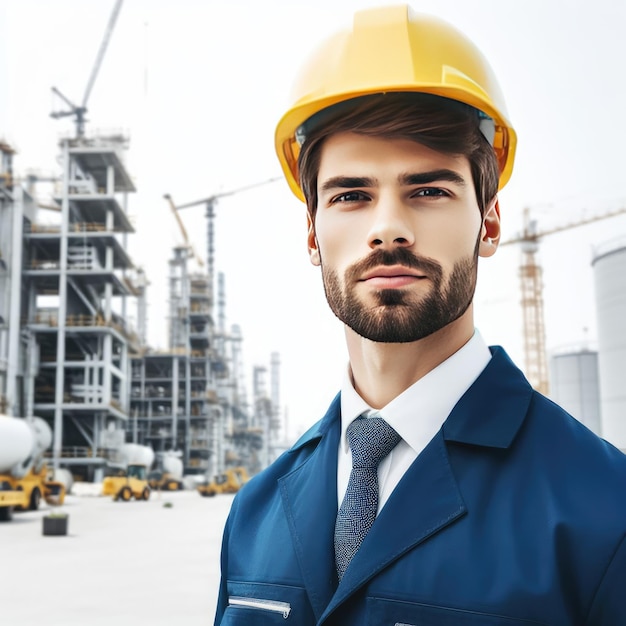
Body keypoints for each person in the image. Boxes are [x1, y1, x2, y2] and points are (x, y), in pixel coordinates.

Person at [214, 5, 626, 625]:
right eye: (351, 195)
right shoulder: (256, 509)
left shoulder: (605, 510)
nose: (387, 229)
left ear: (488, 222)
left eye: (428, 191)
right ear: (312, 234)